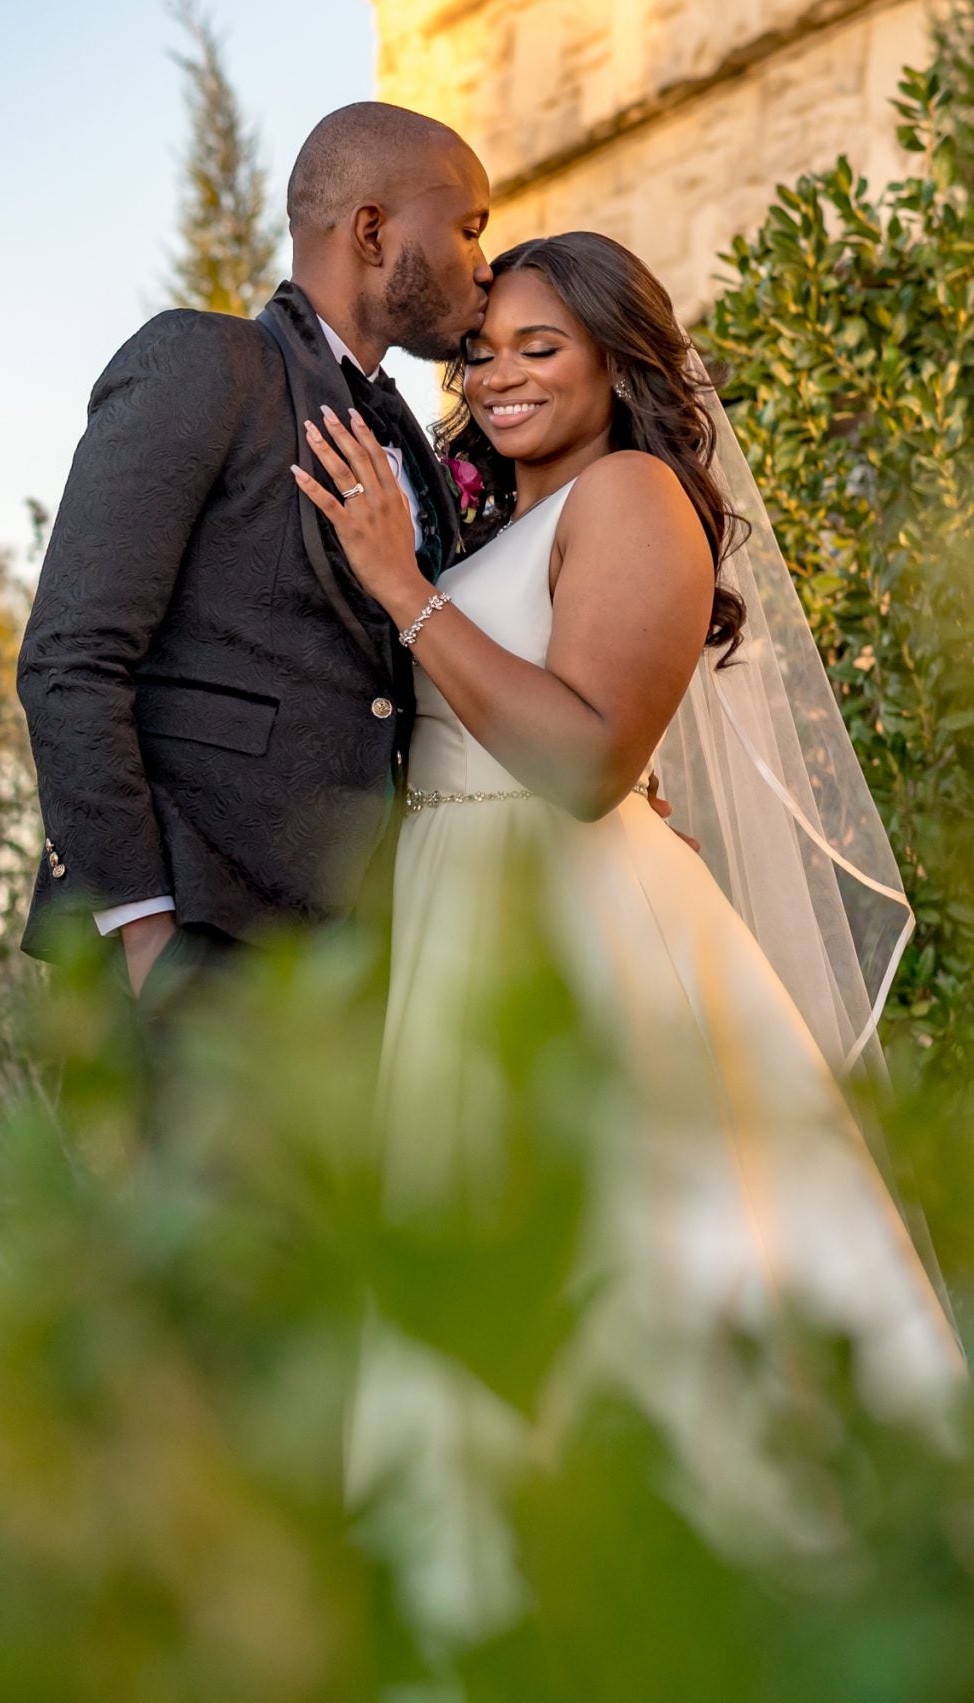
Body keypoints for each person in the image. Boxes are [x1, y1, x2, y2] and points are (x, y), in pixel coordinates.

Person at [298, 230, 967, 1642]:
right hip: (460, 910)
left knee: (634, 1271)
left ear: (617, 359)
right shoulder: (511, 524)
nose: (501, 375)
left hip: (571, 916)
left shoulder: (635, 494)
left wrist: (400, 586)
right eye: (482, 349)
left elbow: (591, 763)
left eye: (543, 345)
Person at [17, 102, 492, 996]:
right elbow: (69, 660)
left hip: (363, 966)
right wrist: (143, 928)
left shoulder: (411, 439)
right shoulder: (202, 363)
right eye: (468, 226)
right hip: (198, 943)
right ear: (373, 229)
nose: (484, 262)